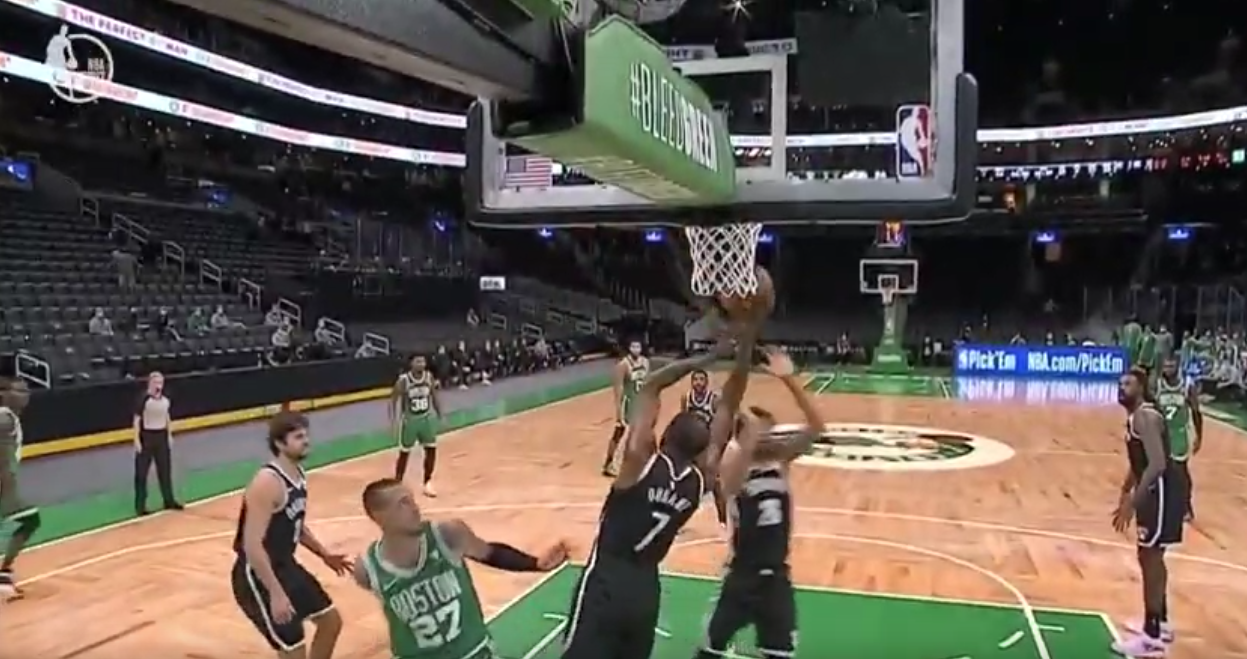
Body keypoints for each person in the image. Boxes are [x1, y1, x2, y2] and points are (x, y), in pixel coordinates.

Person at [561, 327, 757, 659]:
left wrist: (707, 356)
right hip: (645, 590)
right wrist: (745, 349)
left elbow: (652, 386)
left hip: (606, 580)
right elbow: (728, 405)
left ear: (664, 435)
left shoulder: (639, 459)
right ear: (701, 452)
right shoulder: (700, 481)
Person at [695, 347, 824, 659]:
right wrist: (746, 435)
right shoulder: (734, 465)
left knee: (780, 654)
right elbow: (730, 485)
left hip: (776, 578)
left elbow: (817, 427)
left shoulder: (781, 461)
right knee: (709, 651)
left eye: (770, 430)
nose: (768, 436)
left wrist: (789, 379)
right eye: (762, 431)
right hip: (741, 577)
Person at [351, 477, 569, 659]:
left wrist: (535, 563)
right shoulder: (367, 570)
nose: (415, 508)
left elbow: (489, 552)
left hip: (473, 653)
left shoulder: (446, 534)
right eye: (403, 503)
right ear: (378, 516)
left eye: (412, 500)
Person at [231, 412, 351, 659]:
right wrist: (275, 593)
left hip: (286, 566)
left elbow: (296, 524)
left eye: (306, 435)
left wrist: (325, 555)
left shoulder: (298, 475)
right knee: (294, 650)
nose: (306, 440)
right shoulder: (267, 483)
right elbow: (252, 545)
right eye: (298, 437)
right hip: (258, 574)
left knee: (331, 622)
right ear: (279, 443)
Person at [1111, 367, 1185, 657]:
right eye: (1120, 383)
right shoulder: (1137, 417)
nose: (1121, 388)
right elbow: (1139, 462)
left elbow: (1156, 464)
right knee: (1152, 556)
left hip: (1161, 492)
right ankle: (1160, 623)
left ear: (1141, 387)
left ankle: (1151, 637)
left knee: (1149, 557)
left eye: (1127, 384)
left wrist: (1133, 501)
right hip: (1157, 491)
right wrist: (1125, 489)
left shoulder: (1145, 416)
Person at [0, 378, 37, 596]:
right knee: (30, 519)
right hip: (3, 482)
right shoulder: (5, 417)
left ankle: (4, 573)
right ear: (7, 394)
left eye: (26, 391)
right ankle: (3, 573)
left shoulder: (10, 417)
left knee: (29, 520)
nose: (25, 395)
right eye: (19, 391)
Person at [1154, 356, 1203, 519]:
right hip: (1161, 433)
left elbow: (1196, 412)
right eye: (1165, 366)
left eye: (1171, 366)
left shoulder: (1187, 385)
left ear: (1178, 366)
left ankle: (1186, 506)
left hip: (1179, 434)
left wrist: (1199, 436)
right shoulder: (1157, 384)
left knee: (1180, 471)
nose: (1167, 369)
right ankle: (1163, 504)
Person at [681, 369, 728, 531]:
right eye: (695, 379)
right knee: (685, 483)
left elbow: (722, 424)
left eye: (702, 379)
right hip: (692, 447)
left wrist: (718, 449)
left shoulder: (714, 400)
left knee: (715, 484)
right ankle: (678, 521)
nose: (698, 383)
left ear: (707, 382)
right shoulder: (687, 398)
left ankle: (724, 521)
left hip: (708, 447)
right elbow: (683, 421)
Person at [390, 355, 443, 496]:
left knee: (431, 449)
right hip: (410, 421)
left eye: (423, 361)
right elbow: (393, 400)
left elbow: (434, 396)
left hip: (426, 419)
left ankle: (427, 482)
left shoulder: (428, 377)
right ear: (411, 364)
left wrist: (440, 415)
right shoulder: (404, 380)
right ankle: (398, 483)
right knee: (404, 453)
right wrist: (393, 421)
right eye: (418, 361)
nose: (421, 364)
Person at [133, 371, 183, 516]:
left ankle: (168, 500)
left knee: (165, 471)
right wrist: (136, 440)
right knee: (141, 473)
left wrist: (169, 434)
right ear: (149, 383)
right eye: (155, 382)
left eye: (160, 382)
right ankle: (140, 506)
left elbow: (167, 416)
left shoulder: (165, 399)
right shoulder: (143, 399)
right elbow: (136, 420)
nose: (158, 385)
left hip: (161, 436)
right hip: (147, 437)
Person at [602, 340, 650, 477]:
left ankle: (634, 462)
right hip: (627, 403)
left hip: (640, 402)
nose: (636, 348)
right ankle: (609, 463)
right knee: (620, 431)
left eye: (638, 346)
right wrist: (619, 411)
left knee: (639, 433)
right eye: (633, 346)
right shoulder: (623, 365)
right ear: (629, 348)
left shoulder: (645, 362)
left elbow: (647, 382)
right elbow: (618, 389)